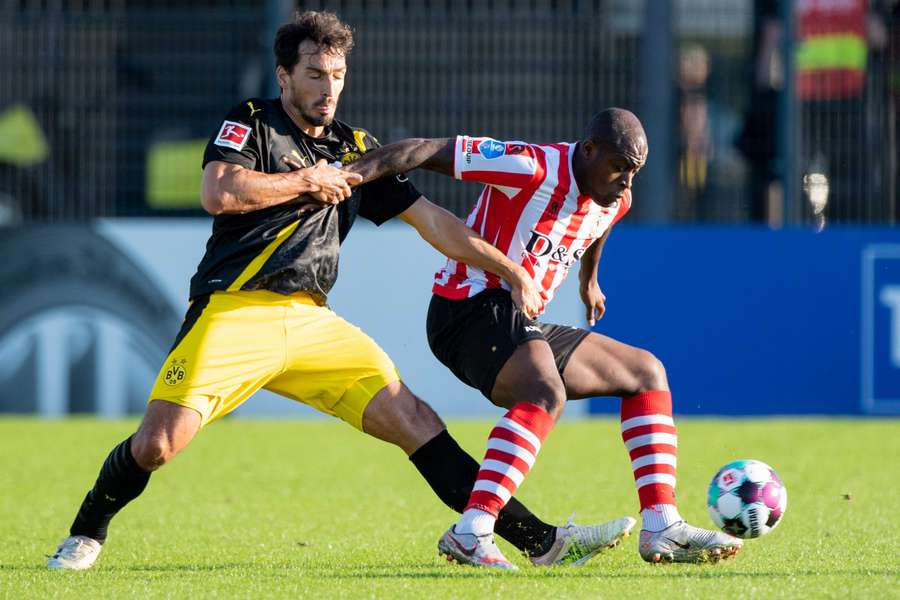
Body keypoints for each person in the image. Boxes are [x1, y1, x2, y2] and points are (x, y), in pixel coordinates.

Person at [47, 11, 633, 571]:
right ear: (284, 76)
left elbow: (434, 222)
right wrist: (305, 179)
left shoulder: (355, 147)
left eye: (338, 75)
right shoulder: (251, 120)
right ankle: (85, 532)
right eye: (314, 75)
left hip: (313, 323)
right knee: (156, 446)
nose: (329, 89)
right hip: (235, 311)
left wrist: (509, 269)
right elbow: (219, 193)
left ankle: (541, 541)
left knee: (415, 420)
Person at [343, 109, 745, 569]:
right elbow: (421, 151)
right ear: (588, 150)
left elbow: (599, 225)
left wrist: (588, 281)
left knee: (646, 373)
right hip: (466, 307)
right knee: (545, 389)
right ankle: (472, 530)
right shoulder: (528, 166)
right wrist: (342, 175)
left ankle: (662, 524)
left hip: (513, 317)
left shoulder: (616, 195)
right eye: (619, 167)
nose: (626, 182)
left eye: (635, 171)